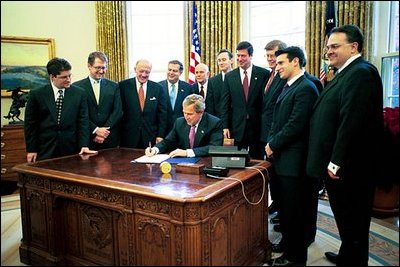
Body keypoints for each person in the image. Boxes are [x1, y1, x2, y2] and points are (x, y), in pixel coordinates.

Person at [306, 24, 383, 266]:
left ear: (354, 47)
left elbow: (353, 120)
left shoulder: (361, 72)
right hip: (342, 166)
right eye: (328, 46)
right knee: (347, 221)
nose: (328, 51)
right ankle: (348, 255)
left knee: (354, 221)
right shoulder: (345, 73)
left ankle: (354, 260)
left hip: (351, 167)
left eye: (335, 46)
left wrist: (336, 161)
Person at [265, 46, 319, 266]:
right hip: (282, 159)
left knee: (295, 213)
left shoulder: (306, 87)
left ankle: (295, 259)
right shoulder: (289, 86)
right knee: (286, 210)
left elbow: (296, 125)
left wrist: (273, 144)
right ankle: (287, 245)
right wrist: (270, 142)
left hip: (294, 162)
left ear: (295, 61)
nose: (277, 67)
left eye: (280, 63)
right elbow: (277, 120)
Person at [24, 57, 97, 163]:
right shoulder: (36, 94)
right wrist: (31, 149)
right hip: (45, 149)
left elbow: (83, 122)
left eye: (69, 76)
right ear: (52, 77)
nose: (68, 80)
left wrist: (84, 145)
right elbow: (30, 125)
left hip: (71, 150)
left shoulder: (79, 94)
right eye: (63, 77)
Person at [221, 41, 269, 159]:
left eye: (243, 56)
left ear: (251, 56)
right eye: (238, 55)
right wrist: (225, 126)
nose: (240, 59)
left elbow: (266, 102)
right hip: (237, 128)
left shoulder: (263, 74)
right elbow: (225, 104)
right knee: (236, 162)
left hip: (257, 127)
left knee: (257, 162)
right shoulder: (229, 77)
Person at [260, 40, 288, 234]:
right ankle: (278, 208)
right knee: (274, 178)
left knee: (280, 179)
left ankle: (282, 212)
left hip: (278, 137)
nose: (271, 59)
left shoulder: (284, 77)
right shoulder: (269, 75)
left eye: (274, 56)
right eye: (268, 56)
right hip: (267, 134)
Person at [145, 94, 223, 158]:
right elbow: (168, 142)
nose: (186, 117)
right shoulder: (179, 122)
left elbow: (214, 147)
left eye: (190, 114)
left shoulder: (214, 123)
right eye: (184, 113)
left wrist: (187, 152)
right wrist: (155, 149)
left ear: (201, 112)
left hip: (204, 163)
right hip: (183, 166)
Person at [73, 51, 123, 150]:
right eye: (97, 67)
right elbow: (79, 114)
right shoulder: (77, 87)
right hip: (87, 139)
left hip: (109, 139)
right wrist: (96, 130)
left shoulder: (114, 86)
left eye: (103, 68)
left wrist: (103, 132)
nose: (101, 71)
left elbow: (117, 111)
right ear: (89, 66)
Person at [119, 59, 168, 148]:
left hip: (150, 137)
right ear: (135, 70)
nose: (144, 75)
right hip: (128, 137)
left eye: (147, 72)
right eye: (141, 71)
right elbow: (118, 111)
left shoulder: (158, 88)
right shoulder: (123, 86)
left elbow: (162, 114)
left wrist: (160, 135)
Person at [159, 60, 193, 134]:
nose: (171, 73)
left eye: (174, 71)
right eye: (169, 70)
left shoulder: (188, 88)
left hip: (183, 130)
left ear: (180, 73)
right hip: (163, 131)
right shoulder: (158, 87)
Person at [208, 49, 234, 118]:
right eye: (219, 60)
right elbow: (210, 106)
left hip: (236, 121)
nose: (221, 63)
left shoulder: (238, 77)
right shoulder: (212, 81)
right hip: (218, 121)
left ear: (231, 61)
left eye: (224, 59)